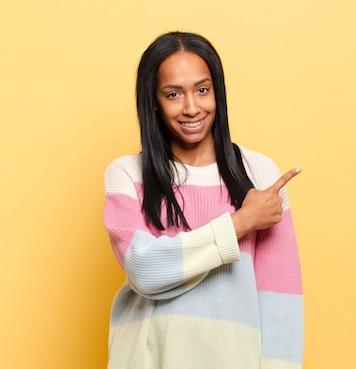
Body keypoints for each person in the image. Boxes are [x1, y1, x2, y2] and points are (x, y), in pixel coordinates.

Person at [103, 31, 304, 368]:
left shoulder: (258, 174)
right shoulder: (127, 174)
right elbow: (144, 268)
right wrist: (240, 222)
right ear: (153, 99)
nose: (192, 107)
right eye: (173, 94)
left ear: (217, 92)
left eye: (202, 90)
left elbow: (281, 301)